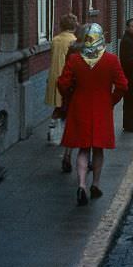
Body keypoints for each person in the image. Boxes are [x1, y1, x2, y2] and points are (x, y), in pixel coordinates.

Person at [58, 23, 128, 206]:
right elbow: (123, 85)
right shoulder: (111, 60)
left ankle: (81, 184)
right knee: (98, 149)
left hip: (80, 107)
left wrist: (70, 97)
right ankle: (95, 184)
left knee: (82, 148)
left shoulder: (74, 59)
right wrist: (111, 100)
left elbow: (63, 84)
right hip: (102, 109)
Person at [45, 13, 78, 173]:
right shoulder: (73, 41)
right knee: (66, 106)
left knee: (57, 105)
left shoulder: (55, 39)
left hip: (53, 75)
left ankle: (52, 130)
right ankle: (62, 135)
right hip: (65, 75)